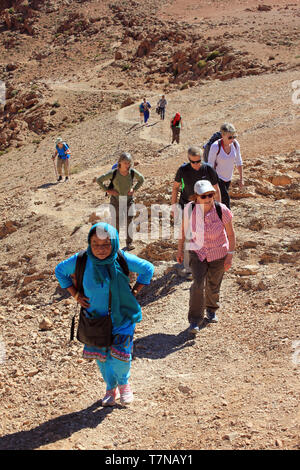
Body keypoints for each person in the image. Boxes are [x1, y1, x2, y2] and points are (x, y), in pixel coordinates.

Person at [55, 222, 154, 406]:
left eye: (106, 244)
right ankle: (110, 388)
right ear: (89, 243)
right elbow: (60, 271)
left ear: (114, 243)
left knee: (120, 354)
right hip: (95, 319)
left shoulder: (121, 258)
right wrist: (76, 295)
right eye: (96, 244)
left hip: (122, 316)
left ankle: (124, 385)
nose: (101, 249)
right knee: (103, 356)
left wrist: (134, 292)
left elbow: (148, 269)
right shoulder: (82, 260)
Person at [176, 180, 235, 333]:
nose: (208, 198)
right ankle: (195, 320)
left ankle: (211, 308)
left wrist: (230, 255)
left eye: (211, 195)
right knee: (197, 285)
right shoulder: (189, 210)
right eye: (204, 196)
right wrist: (179, 250)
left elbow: (231, 234)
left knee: (214, 284)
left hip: (219, 252)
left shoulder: (222, 210)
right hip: (198, 252)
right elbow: (183, 231)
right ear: (196, 197)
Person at [171, 146, 221, 277]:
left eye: (198, 161)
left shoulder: (208, 169)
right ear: (188, 160)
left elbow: (216, 188)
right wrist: (173, 206)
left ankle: (205, 263)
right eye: (193, 162)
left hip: (204, 206)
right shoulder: (183, 170)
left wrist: (218, 207)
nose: (196, 164)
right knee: (188, 237)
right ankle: (188, 268)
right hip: (186, 206)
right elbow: (176, 188)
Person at [97, 152, 144, 251]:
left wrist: (134, 189)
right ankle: (115, 245)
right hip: (116, 201)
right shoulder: (114, 173)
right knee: (116, 223)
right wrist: (108, 190)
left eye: (129, 163)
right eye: (125, 163)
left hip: (128, 201)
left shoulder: (132, 172)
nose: (127, 165)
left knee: (129, 222)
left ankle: (129, 243)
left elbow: (141, 179)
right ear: (120, 163)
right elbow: (99, 180)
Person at [207, 123, 244, 209]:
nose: (232, 139)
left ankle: (216, 218)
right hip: (217, 178)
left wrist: (241, 178)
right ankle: (228, 220)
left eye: (234, 136)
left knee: (220, 202)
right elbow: (210, 165)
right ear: (222, 135)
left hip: (228, 178)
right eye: (230, 137)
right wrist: (212, 182)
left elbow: (239, 161)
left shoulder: (235, 144)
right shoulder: (215, 146)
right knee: (226, 200)